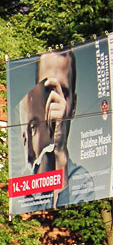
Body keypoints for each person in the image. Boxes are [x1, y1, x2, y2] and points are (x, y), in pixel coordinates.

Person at [20, 49, 94, 208]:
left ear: (73, 105)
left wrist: (60, 153)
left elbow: (70, 216)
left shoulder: (82, 180)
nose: (54, 103)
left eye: (63, 92)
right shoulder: (22, 185)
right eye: (47, 91)